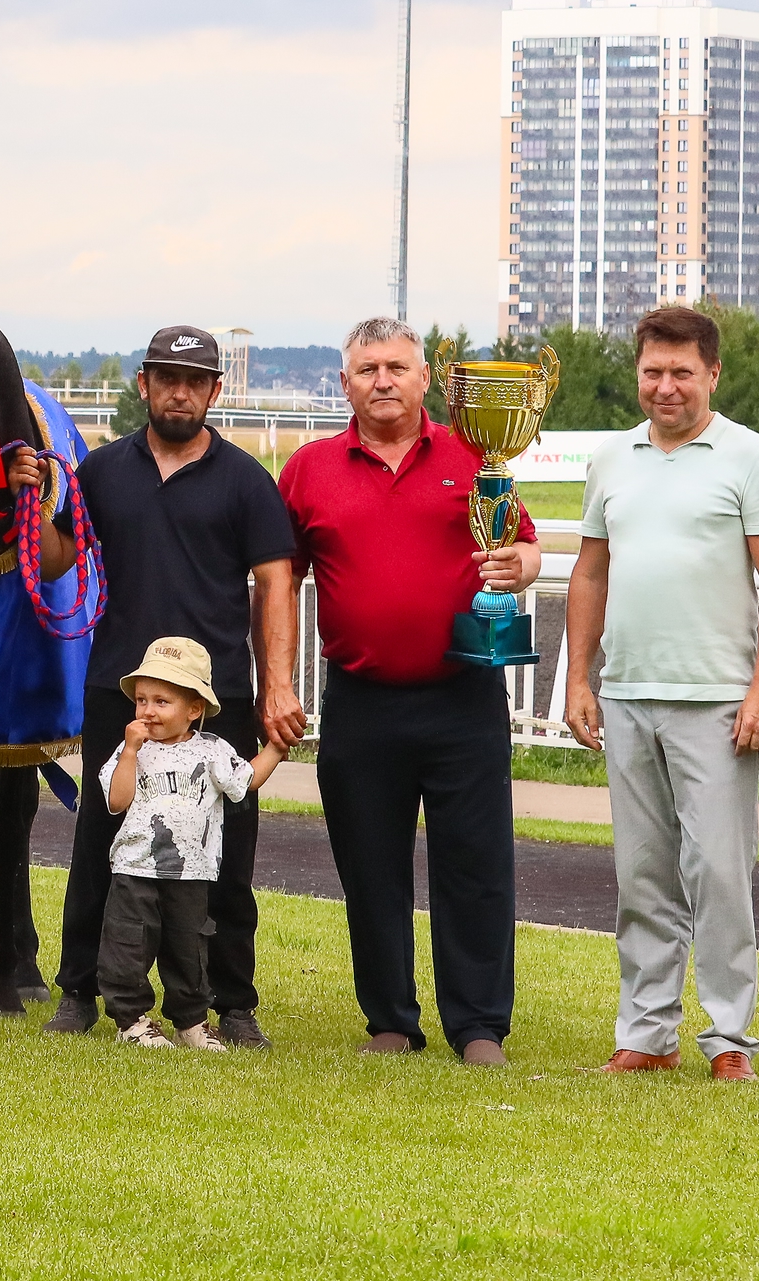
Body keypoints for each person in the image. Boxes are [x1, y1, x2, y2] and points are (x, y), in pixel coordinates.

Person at [276, 317, 540, 1065]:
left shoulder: (478, 454)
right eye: (367, 369)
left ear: (427, 379)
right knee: (370, 866)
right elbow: (280, 577)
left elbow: (523, 542)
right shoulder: (308, 470)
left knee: (477, 866)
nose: (383, 380)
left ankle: (479, 1024)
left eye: (397, 366)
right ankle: (389, 1018)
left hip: (464, 696)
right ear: (345, 385)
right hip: (360, 699)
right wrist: (277, 680)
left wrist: (519, 566)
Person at [39, 326, 301, 1050]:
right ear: (144, 384)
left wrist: (277, 684)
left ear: (216, 390)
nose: (179, 391)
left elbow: (276, 581)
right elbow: (60, 556)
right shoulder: (100, 472)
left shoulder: (246, 479)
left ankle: (232, 1000)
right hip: (119, 685)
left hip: (217, 701)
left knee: (226, 852)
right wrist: (36, 504)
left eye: (195, 379)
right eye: (166, 377)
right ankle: (79, 989)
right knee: (101, 835)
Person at [562, 307, 759, 1081]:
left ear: (713, 373)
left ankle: (730, 1038)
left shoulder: (753, 459)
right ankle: (647, 1032)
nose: (665, 387)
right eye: (653, 372)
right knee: (642, 873)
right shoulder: (612, 459)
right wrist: (578, 678)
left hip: (720, 699)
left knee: (720, 873)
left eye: (681, 373)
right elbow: (590, 572)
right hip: (627, 694)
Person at [97, 638, 281, 1052]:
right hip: (134, 868)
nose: (147, 710)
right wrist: (129, 751)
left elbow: (245, 781)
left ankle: (191, 1022)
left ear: (194, 708)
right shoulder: (132, 751)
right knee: (127, 945)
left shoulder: (212, 751)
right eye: (141, 699)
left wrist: (277, 748)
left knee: (189, 948)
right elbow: (117, 800)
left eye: (162, 701)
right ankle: (131, 1020)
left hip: (190, 872)